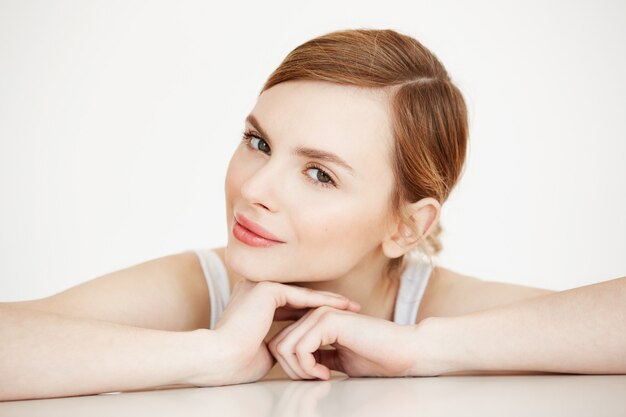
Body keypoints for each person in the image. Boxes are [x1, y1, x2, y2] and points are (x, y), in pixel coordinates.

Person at [1, 28, 624, 402]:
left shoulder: (430, 308)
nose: (256, 189)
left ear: (406, 227)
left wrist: (419, 349)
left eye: (320, 173)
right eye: (258, 143)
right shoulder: (199, 288)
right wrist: (209, 355)